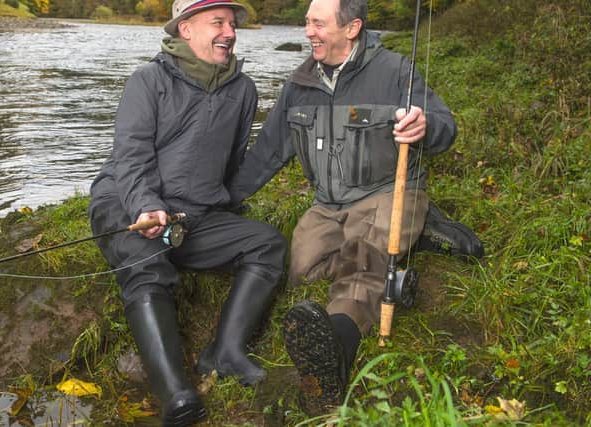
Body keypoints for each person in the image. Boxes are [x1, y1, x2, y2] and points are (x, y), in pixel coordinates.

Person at [227, 0, 475, 415]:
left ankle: (334, 355)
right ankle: (408, 253)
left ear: (352, 28)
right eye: (307, 22)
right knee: (303, 270)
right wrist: (221, 201)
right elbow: (267, 154)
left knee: (363, 260)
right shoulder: (299, 84)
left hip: (388, 193)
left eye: (318, 23)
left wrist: (425, 126)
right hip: (329, 205)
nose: (308, 31)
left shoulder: (395, 71)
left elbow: (445, 128)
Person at [88, 1, 287, 425]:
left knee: (266, 244)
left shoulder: (243, 90)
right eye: (218, 22)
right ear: (186, 29)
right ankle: (175, 394)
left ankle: (226, 352)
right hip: (125, 203)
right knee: (145, 263)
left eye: (232, 24)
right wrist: (147, 205)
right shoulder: (147, 81)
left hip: (194, 216)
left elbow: (231, 162)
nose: (229, 32)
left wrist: (224, 210)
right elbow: (131, 158)